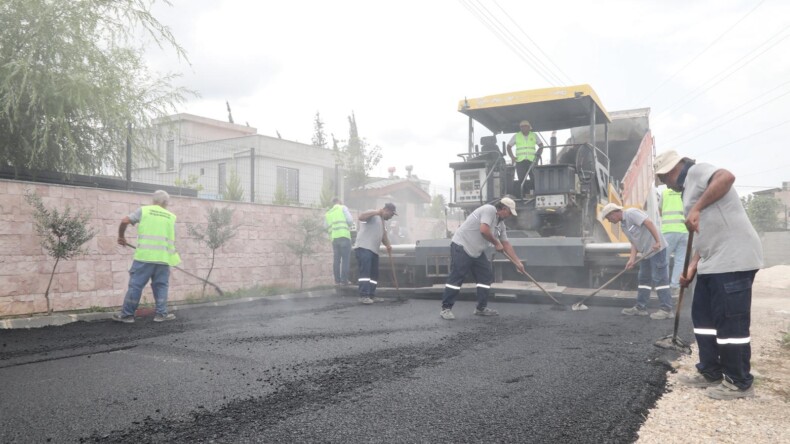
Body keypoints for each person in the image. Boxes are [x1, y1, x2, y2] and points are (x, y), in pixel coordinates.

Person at [654, 150, 763, 400]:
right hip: (711, 261)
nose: (664, 184)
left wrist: (697, 208)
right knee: (702, 318)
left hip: (734, 259)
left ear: (671, 170)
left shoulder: (697, 171)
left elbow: (726, 177)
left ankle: (739, 381)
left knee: (729, 322)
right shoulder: (685, 192)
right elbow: (703, 236)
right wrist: (692, 267)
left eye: (662, 178)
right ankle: (710, 371)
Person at [440, 197, 526, 320]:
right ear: (504, 209)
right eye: (509, 212)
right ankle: (446, 309)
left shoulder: (500, 224)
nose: (510, 216)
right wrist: (496, 243)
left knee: (486, 276)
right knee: (457, 276)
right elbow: (484, 230)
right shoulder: (489, 210)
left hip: (476, 251)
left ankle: (481, 308)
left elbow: (506, 244)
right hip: (462, 245)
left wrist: (517, 262)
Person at [113, 190, 181, 323]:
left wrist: (121, 237)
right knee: (161, 286)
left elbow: (125, 220)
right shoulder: (171, 217)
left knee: (136, 286)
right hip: (163, 259)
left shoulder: (144, 211)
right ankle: (161, 315)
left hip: (144, 257)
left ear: (154, 200)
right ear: (166, 202)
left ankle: (127, 315)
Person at [600, 203, 674, 320]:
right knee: (643, 279)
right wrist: (631, 259)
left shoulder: (631, 213)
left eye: (609, 218)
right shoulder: (623, 225)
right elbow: (634, 242)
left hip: (656, 250)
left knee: (659, 278)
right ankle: (641, 308)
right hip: (645, 253)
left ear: (613, 213)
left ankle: (666, 309)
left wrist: (657, 241)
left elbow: (648, 223)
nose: (609, 221)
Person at [353, 203, 396, 304]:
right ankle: (364, 296)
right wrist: (377, 212)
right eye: (391, 214)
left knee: (374, 274)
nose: (391, 217)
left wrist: (388, 245)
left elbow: (383, 236)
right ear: (387, 210)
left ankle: (371, 294)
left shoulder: (382, 222)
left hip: (373, 250)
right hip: (364, 248)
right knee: (365, 273)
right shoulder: (373, 215)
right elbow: (361, 217)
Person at [659, 187, 689, 294]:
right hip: (684, 230)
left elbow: (660, 210)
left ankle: (664, 285)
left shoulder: (664, 193)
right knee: (680, 260)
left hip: (668, 230)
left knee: (664, 259)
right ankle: (675, 285)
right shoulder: (685, 192)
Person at [506, 120, 544, 195]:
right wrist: (512, 157)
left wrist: (538, 156)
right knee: (521, 179)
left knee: (534, 178)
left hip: (532, 161)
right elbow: (508, 146)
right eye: (521, 127)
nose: (523, 128)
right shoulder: (516, 136)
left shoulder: (534, 135)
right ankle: (523, 195)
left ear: (529, 127)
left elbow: (541, 145)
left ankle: (534, 194)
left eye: (525, 126)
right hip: (520, 161)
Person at [324, 197, 354, 285]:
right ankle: (344, 280)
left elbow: (325, 227)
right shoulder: (343, 208)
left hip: (334, 238)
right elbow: (350, 221)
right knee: (345, 259)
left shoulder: (328, 213)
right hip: (344, 236)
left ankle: (337, 281)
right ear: (339, 201)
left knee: (336, 260)